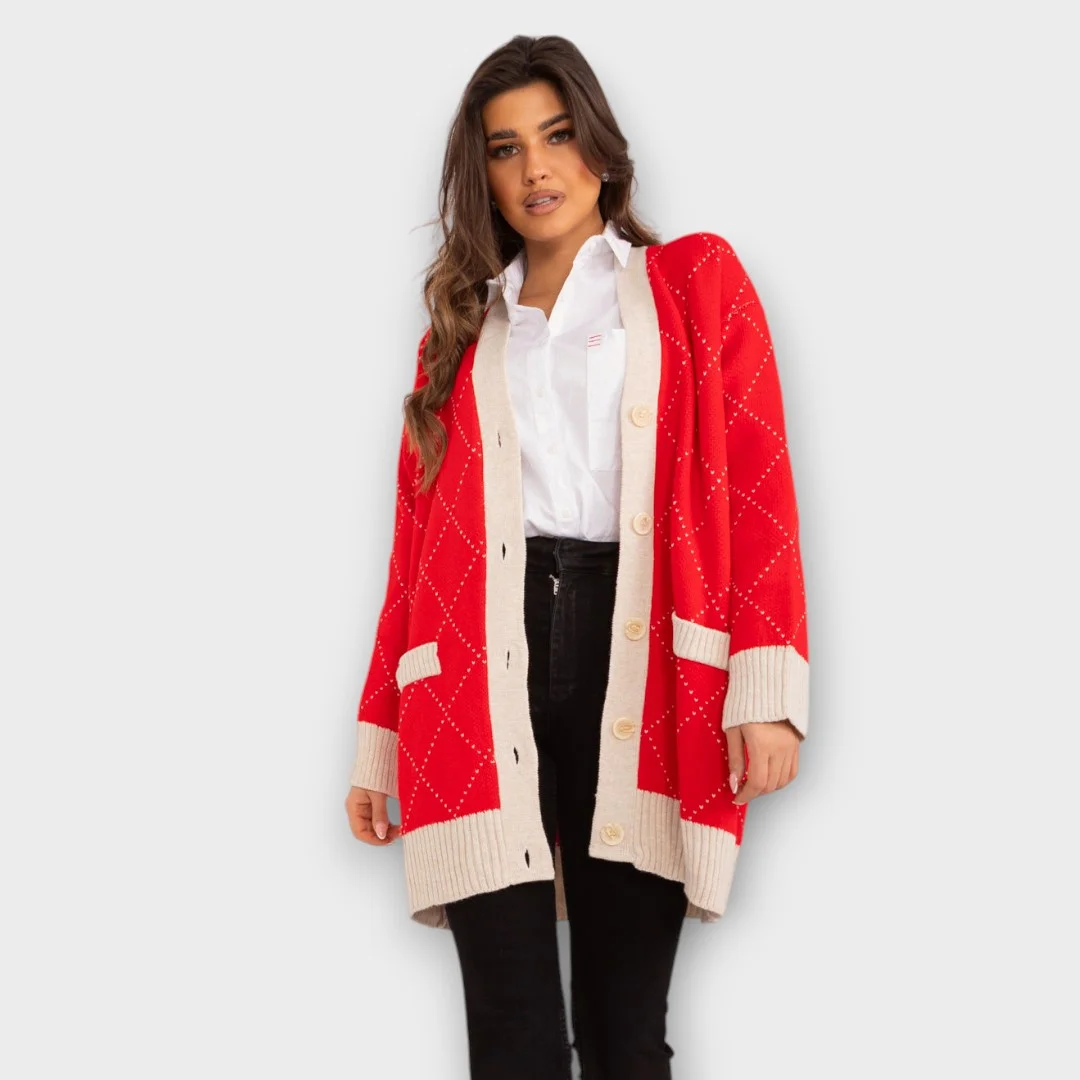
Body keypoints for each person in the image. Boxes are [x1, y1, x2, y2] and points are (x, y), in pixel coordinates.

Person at [344, 33, 809, 1080]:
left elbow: (758, 487)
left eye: (557, 136)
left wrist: (766, 687)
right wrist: (379, 739)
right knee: (509, 1038)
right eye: (505, 148)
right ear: (483, 174)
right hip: (472, 683)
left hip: (642, 672)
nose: (536, 169)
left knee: (621, 1029)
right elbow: (414, 559)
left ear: (600, 144)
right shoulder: (459, 334)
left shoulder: (693, 283)